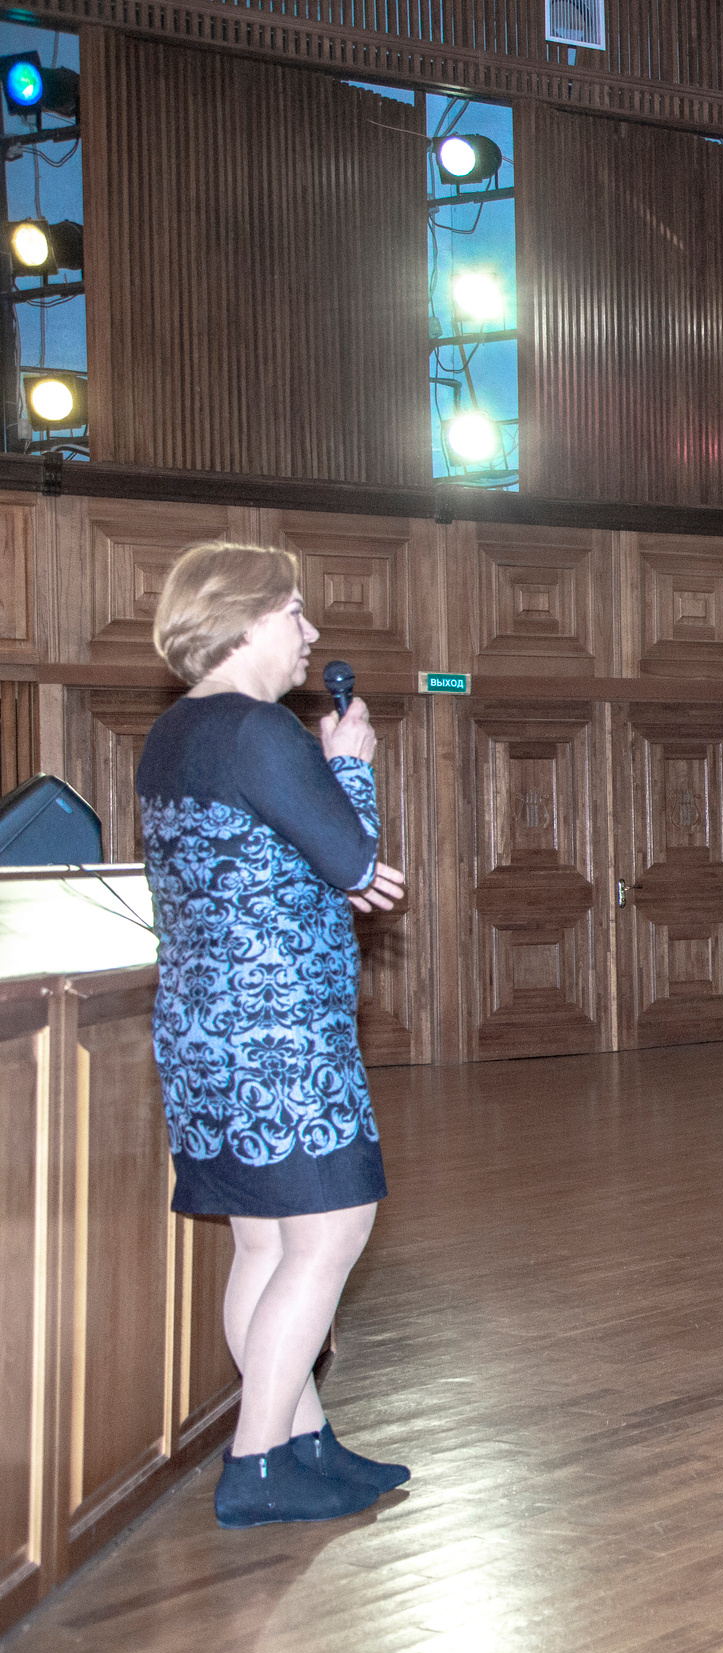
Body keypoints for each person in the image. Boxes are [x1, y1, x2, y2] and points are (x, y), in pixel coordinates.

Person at [137, 541, 410, 1527]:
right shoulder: (261, 734)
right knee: (332, 1232)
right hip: (279, 1031)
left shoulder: (174, 734)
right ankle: (255, 1466)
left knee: (264, 1244)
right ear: (248, 620)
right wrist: (351, 767)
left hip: (203, 1026)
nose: (311, 631)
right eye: (296, 612)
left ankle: (299, 1436)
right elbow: (355, 867)